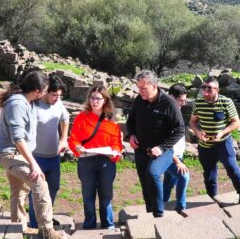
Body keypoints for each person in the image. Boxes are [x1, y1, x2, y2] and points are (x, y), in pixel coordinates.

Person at [0, 71, 64, 239]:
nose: (48, 92)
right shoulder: (17, 104)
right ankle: (46, 229)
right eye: (46, 89)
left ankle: (17, 227)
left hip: (16, 153)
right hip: (10, 154)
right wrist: (34, 164)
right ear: (37, 91)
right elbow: (18, 138)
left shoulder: (27, 101)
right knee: (39, 182)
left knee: (19, 188)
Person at [126, 70, 185, 218]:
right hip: (141, 150)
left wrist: (162, 147)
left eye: (143, 88)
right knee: (145, 183)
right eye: (138, 88)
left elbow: (180, 129)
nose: (140, 92)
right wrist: (131, 135)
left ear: (154, 86)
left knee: (153, 174)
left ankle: (159, 214)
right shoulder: (139, 100)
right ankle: (150, 212)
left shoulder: (169, 103)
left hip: (163, 150)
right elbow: (130, 121)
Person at [68, 85, 123, 230]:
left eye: (98, 98)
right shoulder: (81, 117)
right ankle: (89, 225)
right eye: (92, 98)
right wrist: (77, 147)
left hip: (106, 161)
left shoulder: (111, 121)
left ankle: (108, 225)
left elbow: (116, 142)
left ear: (105, 100)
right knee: (88, 195)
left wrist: (116, 152)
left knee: (106, 196)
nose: (95, 101)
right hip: (87, 160)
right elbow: (73, 139)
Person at [189, 76, 240, 203]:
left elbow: (236, 122)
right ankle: (212, 199)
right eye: (203, 88)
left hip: (223, 143)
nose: (205, 91)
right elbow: (193, 122)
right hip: (205, 145)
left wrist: (222, 133)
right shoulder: (199, 103)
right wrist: (198, 132)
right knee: (209, 174)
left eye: (209, 89)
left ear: (218, 90)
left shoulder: (226, 102)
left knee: (232, 168)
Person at [27, 77, 69, 229]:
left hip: (54, 156)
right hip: (36, 157)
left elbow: (65, 118)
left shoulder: (58, 103)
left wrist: (64, 138)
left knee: (53, 187)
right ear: (45, 92)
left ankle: (47, 218)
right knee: (37, 191)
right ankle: (34, 223)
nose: (57, 99)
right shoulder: (33, 105)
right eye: (54, 95)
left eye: (59, 96)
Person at [162, 84, 190, 216]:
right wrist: (177, 161)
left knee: (169, 182)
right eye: (181, 101)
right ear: (171, 98)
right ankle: (181, 206)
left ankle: (160, 206)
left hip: (178, 155)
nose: (183, 104)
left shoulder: (177, 110)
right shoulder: (165, 114)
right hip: (169, 156)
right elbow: (164, 143)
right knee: (184, 176)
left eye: (185, 101)